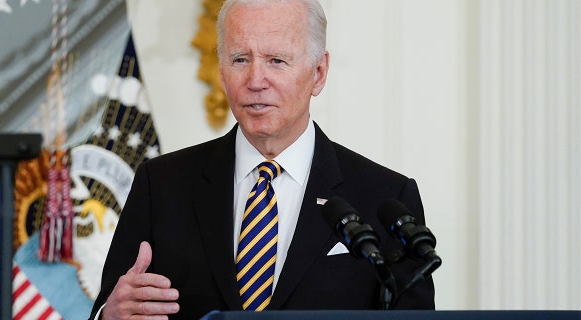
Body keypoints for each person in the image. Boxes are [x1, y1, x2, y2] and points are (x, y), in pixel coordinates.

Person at [89, 0, 435, 319]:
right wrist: (109, 314)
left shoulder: (386, 198)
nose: (255, 81)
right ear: (223, 70)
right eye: (240, 59)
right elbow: (111, 303)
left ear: (319, 73)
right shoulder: (161, 183)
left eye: (277, 61)